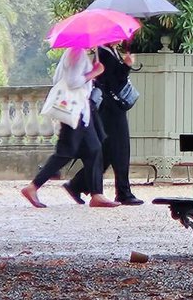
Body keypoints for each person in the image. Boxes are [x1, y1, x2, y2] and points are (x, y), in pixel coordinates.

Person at [21, 47, 121, 208]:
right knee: (65, 152)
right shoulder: (77, 53)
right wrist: (93, 73)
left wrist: (91, 74)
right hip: (74, 111)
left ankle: (97, 194)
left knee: (94, 149)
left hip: (81, 110)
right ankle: (33, 186)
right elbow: (73, 81)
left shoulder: (76, 53)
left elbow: (59, 77)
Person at [66, 41, 142, 205]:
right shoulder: (104, 54)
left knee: (108, 153)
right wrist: (126, 66)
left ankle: (77, 184)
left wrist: (125, 64)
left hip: (114, 109)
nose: (121, 39)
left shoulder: (111, 51)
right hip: (109, 109)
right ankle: (123, 192)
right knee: (121, 149)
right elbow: (112, 82)